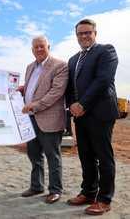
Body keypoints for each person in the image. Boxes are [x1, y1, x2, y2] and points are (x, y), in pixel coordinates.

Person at [66, 19, 119, 215]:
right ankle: (88, 192)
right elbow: (70, 86)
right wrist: (72, 104)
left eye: (88, 32)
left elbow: (103, 80)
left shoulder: (106, 51)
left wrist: (83, 104)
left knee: (103, 157)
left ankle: (105, 199)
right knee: (86, 156)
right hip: (80, 115)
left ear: (95, 33)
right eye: (80, 33)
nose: (84, 36)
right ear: (76, 36)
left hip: (100, 113)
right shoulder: (73, 60)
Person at [20, 35, 68, 204]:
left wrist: (35, 105)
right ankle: (36, 186)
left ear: (49, 46)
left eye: (42, 46)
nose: (39, 49)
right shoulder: (29, 67)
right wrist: (22, 90)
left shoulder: (60, 66)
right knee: (34, 155)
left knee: (52, 156)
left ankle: (55, 190)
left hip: (50, 119)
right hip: (30, 119)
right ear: (32, 50)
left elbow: (56, 92)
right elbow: (32, 88)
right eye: (35, 47)